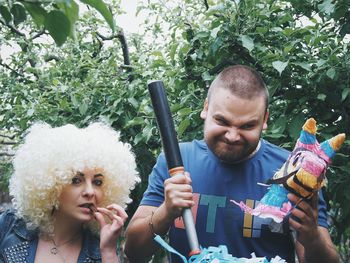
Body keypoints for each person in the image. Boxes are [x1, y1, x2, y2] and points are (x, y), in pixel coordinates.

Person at [124, 65, 340, 263]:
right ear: (206, 109)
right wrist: (166, 212)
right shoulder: (175, 161)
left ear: (264, 120)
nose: (232, 136)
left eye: (247, 125)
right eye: (222, 121)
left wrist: (311, 237)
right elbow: (133, 252)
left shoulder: (294, 170)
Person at [0, 122, 139, 263]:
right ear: (52, 184)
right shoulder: (8, 226)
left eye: (97, 182)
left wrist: (108, 252)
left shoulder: (102, 249)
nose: (90, 192)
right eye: (76, 180)